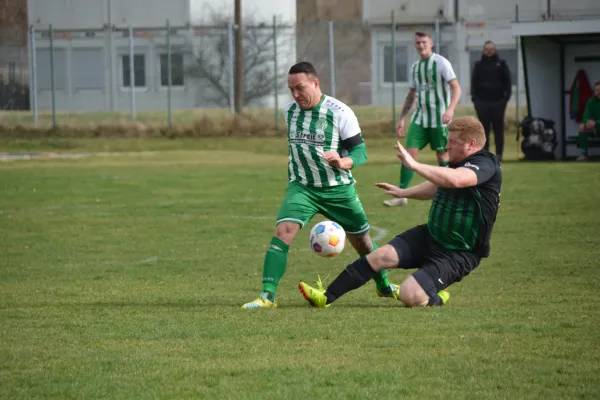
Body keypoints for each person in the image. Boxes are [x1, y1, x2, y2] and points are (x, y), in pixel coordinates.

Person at [298, 116, 502, 308]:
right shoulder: (457, 162)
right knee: (379, 256)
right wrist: (404, 192)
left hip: (458, 252)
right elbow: (436, 186)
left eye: (452, 142)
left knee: (409, 295)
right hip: (431, 235)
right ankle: (326, 297)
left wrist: (414, 165)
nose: (447, 145)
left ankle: (437, 296)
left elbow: (455, 180)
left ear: (472, 144)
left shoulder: (486, 164)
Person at [242, 62, 399, 309]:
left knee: (364, 243)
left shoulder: (340, 112)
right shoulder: (289, 112)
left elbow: (360, 151)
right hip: (302, 187)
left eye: (300, 88)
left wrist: (343, 161)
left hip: (338, 189)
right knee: (282, 232)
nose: (295, 94)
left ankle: (384, 286)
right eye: (291, 89)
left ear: (315, 83)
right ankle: (267, 296)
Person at [384, 31, 462, 208]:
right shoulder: (415, 67)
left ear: (431, 43)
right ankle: (401, 195)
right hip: (420, 119)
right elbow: (412, 95)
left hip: (439, 118)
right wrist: (402, 118)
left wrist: (450, 110)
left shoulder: (441, 62)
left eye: (424, 42)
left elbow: (456, 88)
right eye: (418, 43)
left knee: (443, 154)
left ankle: (449, 192)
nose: (421, 45)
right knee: (407, 154)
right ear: (415, 45)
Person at [471, 41, 512, 162]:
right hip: (482, 103)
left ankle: (499, 154)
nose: (489, 51)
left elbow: (508, 83)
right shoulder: (478, 65)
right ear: (483, 51)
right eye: (487, 49)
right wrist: (475, 100)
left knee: (498, 129)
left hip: (498, 103)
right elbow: (473, 84)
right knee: (483, 130)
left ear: (495, 50)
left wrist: (504, 100)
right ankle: (484, 154)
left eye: (491, 49)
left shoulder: (502, 64)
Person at [576, 81, 600, 161]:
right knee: (582, 127)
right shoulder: (591, 101)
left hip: (597, 125)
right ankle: (583, 154)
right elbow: (585, 116)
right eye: (597, 90)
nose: (598, 92)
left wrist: (596, 122)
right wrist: (588, 121)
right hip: (595, 128)